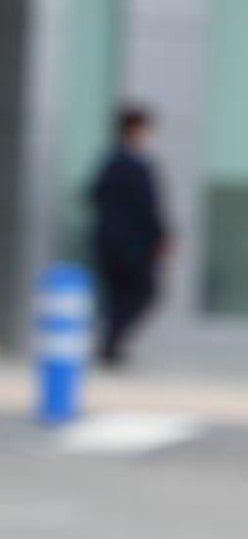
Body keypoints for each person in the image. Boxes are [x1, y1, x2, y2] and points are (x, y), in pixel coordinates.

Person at [89, 105, 170, 367]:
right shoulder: (125, 164)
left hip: (115, 242)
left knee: (124, 296)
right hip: (128, 245)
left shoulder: (113, 162)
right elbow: (148, 207)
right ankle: (110, 344)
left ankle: (111, 345)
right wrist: (159, 236)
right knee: (142, 291)